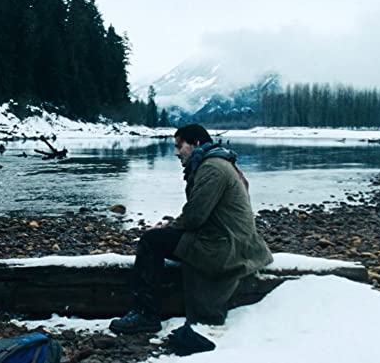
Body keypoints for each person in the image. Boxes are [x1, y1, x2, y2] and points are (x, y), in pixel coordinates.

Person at [109, 124, 272, 350]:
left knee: (150, 242)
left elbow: (195, 217)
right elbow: (198, 213)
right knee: (161, 237)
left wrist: (165, 230)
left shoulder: (212, 168)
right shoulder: (218, 162)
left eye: (179, 146)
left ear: (194, 143)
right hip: (232, 239)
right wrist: (170, 226)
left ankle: (146, 314)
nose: (176, 153)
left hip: (224, 246)